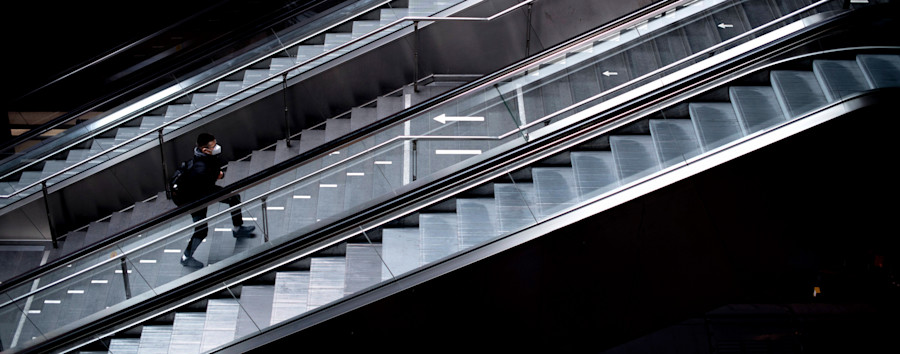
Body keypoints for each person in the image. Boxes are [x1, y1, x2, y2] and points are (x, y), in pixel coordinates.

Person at [178, 133, 256, 267]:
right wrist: (217, 174)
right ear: (205, 149)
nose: (217, 147)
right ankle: (186, 257)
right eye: (214, 146)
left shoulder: (204, 157)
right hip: (197, 199)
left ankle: (238, 229)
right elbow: (210, 177)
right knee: (201, 230)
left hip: (205, 191)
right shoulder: (201, 166)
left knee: (233, 198)